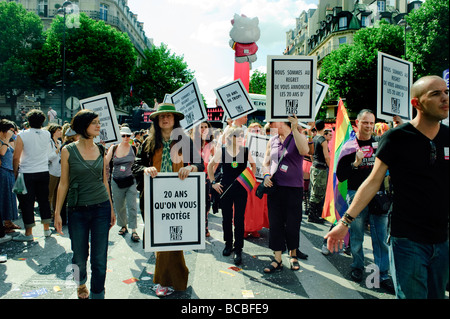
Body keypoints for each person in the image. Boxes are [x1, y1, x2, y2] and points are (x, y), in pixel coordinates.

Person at [325, 75, 449, 299]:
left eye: (446, 92)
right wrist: (345, 222)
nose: (445, 98)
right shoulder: (396, 138)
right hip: (408, 241)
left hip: (443, 240)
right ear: (416, 103)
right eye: (436, 94)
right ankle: (361, 265)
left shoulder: (449, 137)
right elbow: (373, 181)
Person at [132, 103, 204, 297]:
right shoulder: (148, 142)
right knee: (160, 241)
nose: (165, 119)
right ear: (156, 120)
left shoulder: (184, 141)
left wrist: (191, 168)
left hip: (178, 200)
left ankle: (164, 281)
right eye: (162, 116)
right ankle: (177, 279)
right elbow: (136, 166)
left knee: (173, 239)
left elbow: (200, 164)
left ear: (175, 120)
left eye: (169, 116)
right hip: (153, 199)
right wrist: (145, 169)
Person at [54, 109, 116, 299]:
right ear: (83, 126)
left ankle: (98, 293)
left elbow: (104, 180)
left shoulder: (101, 149)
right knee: (79, 256)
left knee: (99, 259)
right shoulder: (68, 150)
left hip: (101, 208)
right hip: (77, 210)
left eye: (99, 122)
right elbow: (63, 183)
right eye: (94, 123)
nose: (99, 126)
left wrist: (112, 209)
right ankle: (80, 284)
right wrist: (57, 213)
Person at [335, 109, 393, 292]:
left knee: (380, 237)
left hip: (378, 197)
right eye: (365, 122)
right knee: (357, 234)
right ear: (357, 123)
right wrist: (355, 164)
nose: (368, 126)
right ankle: (357, 267)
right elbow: (342, 176)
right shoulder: (349, 147)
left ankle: (383, 274)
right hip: (356, 195)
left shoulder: (380, 143)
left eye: (371, 123)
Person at [261, 115, 310, 273]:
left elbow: (304, 150)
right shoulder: (273, 140)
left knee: (292, 224)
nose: (269, 124)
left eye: (271, 121)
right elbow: (265, 162)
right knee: (275, 224)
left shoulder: (297, 136)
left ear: (281, 121)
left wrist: (295, 128)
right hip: (275, 189)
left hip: (294, 189)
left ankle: (293, 255)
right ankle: (277, 259)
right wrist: (266, 175)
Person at [208, 126, 256, 266]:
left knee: (239, 219)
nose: (241, 137)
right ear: (230, 137)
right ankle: (228, 244)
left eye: (241, 135)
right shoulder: (221, 151)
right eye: (237, 135)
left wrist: (249, 180)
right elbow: (211, 167)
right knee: (226, 219)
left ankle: (238, 248)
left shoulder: (245, 151)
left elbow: (253, 166)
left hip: (241, 190)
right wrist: (213, 183)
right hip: (225, 189)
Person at [12, 109, 53, 242]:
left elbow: (16, 157)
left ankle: (29, 232)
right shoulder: (47, 134)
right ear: (43, 121)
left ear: (28, 121)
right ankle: (46, 229)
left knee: (26, 203)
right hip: (43, 171)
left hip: (26, 172)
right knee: (44, 200)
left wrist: (15, 172)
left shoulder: (22, 135)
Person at [105, 126, 140, 242]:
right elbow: (105, 161)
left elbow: (137, 164)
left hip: (130, 180)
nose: (125, 138)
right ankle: (123, 225)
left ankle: (134, 229)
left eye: (128, 136)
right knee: (119, 206)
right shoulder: (113, 148)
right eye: (123, 136)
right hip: (116, 180)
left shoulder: (134, 148)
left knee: (132, 205)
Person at [191, 121, 215, 237]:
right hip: (193, 178)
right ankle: (194, 226)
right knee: (194, 204)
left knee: (206, 203)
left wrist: (212, 174)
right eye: (201, 127)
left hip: (206, 178)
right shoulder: (192, 143)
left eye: (206, 127)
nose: (204, 129)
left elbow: (217, 161)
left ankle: (204, 227)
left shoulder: (211, 144)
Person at [307, 119, 330, 224]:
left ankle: (313, 214)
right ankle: (313, 215)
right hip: (321, 168)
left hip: (314, 166)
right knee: (318, 192)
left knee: (313, 190)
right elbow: (326, 156)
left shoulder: (314, 138)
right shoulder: (322, 140)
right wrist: (330, 167)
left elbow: (311, 153)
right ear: (324, 126)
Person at [0, 119, 20, 236]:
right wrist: (7, 139)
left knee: (10, 197)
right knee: (4, 198)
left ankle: (8, 221)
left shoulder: (9, 140)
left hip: (10, 171)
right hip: (3, 172)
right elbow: (2, 153)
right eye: (10, 130)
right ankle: (4, 223)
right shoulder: (3, 140)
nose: (12, 133)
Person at [46, 123, 62, 218]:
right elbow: (49, 157)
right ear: (53, 132)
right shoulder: (49, 143)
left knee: (57, 194)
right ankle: (49, 213)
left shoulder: (59, 142)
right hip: (51, 171)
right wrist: (57, 150)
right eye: (58, 131)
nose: (60, 132)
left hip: (59, 171)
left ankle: (56, 213)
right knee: (50, 194)